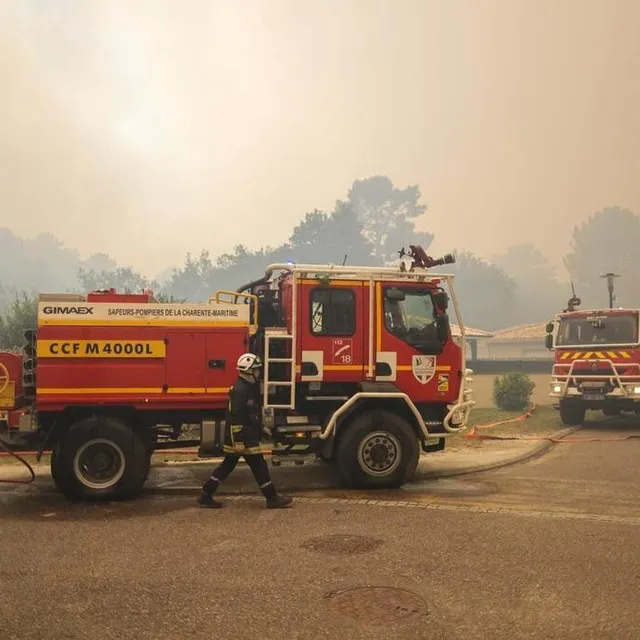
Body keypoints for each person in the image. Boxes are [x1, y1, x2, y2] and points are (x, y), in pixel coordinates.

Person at [197, 352, 293, 509]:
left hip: (244, 435)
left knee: (231, 465)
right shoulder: (241, 390)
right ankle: (272, 498)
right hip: (242, 436)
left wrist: (261, 429)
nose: (258, 373)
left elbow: (250, 415)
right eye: (256, 370)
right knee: (257, 465)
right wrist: (240, 441)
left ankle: (206, 494)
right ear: (248, 370)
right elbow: (236, 416)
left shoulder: (244, 388)